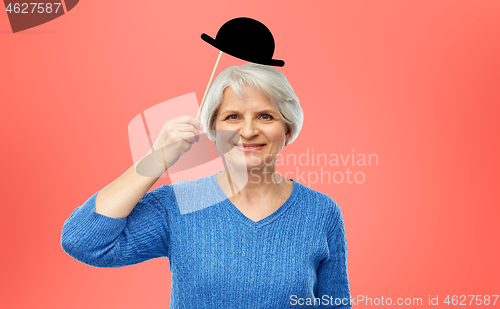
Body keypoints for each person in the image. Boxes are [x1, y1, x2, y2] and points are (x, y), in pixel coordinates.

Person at [60, 63, 352, 308]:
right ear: (212, 130)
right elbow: (84, 242)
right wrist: (155, 159)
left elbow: (336, 303)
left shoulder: (321, 211)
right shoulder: (178, 204)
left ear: (287, 129)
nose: (248, 131)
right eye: (232, 117)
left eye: (265, 116)